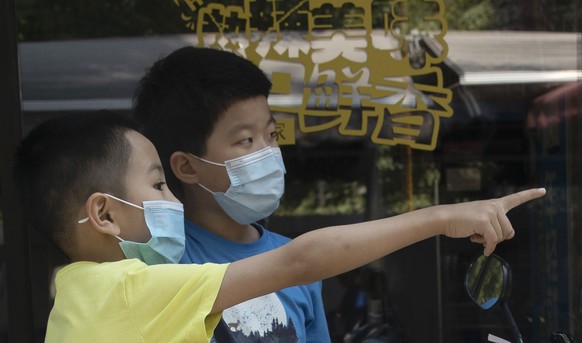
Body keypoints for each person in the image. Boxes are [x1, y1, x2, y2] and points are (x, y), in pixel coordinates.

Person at [14, 110, 545, 342]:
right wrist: (443, 216)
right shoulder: (130, 290)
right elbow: (301, 261)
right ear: (103, 214)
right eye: (158, 185)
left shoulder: (74, 292)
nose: (172, 200)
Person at [132, 46, 331, 342]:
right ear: (187, 166)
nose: (268, 152)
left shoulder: (299, 260)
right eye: (246, 140)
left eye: (271, 135)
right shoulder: (159, 262)